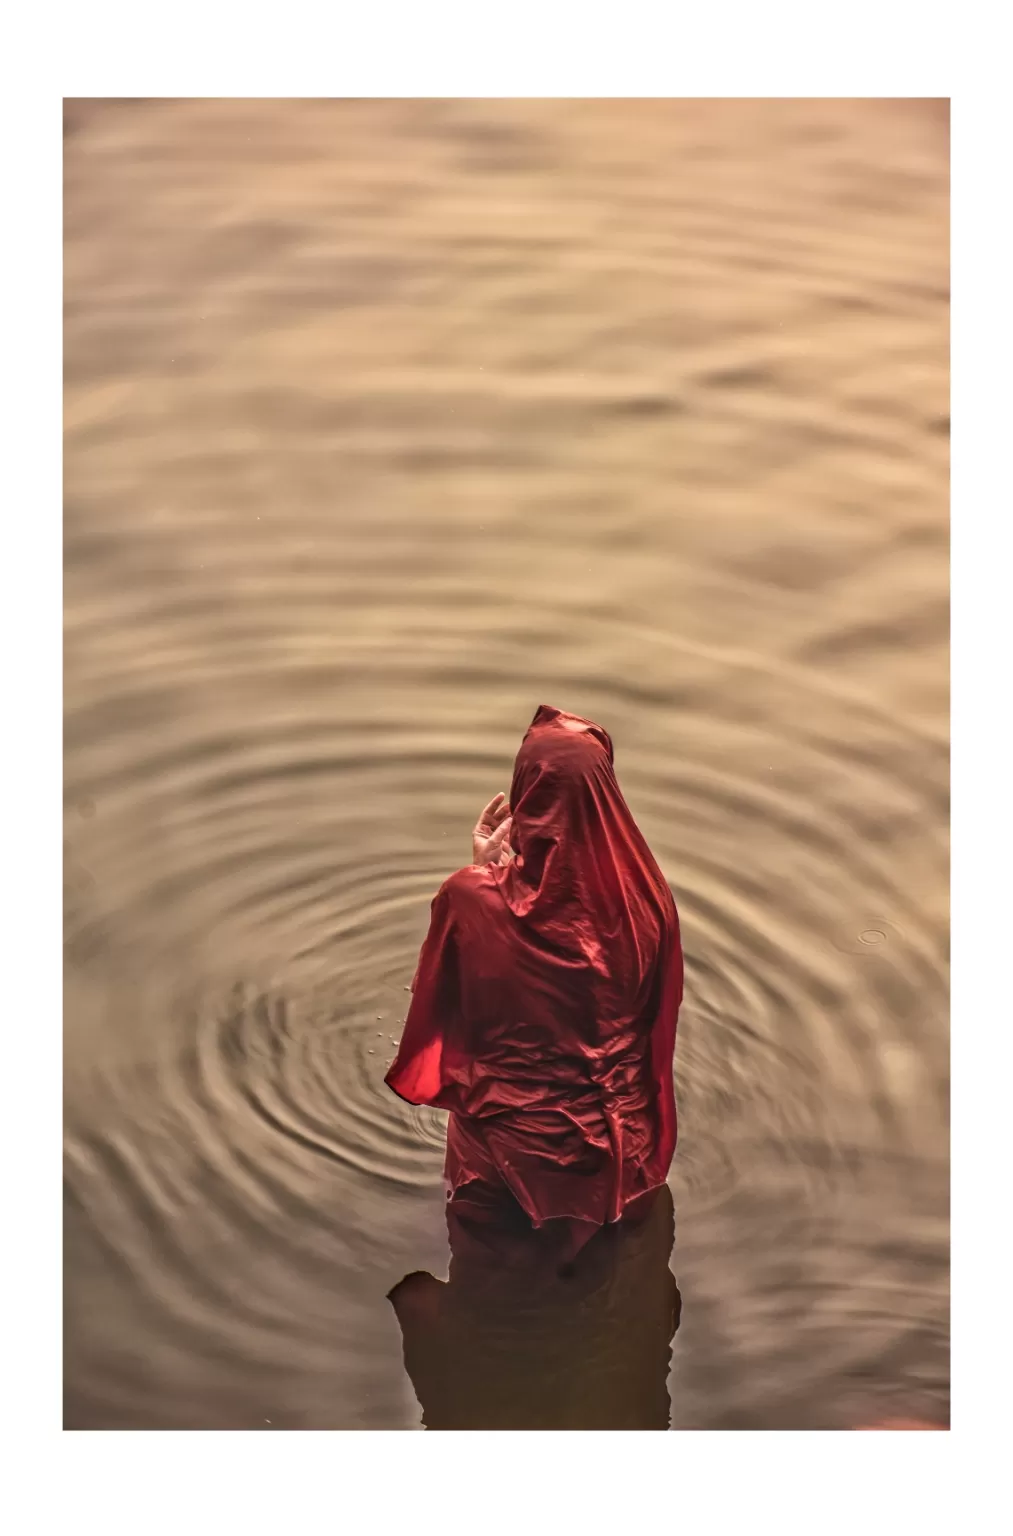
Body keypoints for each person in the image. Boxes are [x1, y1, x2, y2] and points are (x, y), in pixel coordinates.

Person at [385, 704, 683, 1259]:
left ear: (527, 794)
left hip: (506, 1156)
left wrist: (481, 873)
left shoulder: (470, 899)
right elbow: (651, 1020)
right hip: (624, 1151)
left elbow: (443, 1012)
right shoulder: (647, 896)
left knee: (494, 1293)